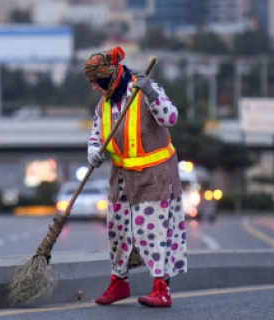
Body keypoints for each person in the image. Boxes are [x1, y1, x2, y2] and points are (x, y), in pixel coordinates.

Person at [84, 46, 187, 308]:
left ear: (109, 77)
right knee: (118, 231)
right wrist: (94, 151)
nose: (94, 87)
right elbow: (97, 134)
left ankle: (161, 288)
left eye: (97, 82)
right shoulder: (104, 103)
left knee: (151, 231)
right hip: (121, 176)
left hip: (154, 174)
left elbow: (170, 117)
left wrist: (152, 92)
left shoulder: (143, 91)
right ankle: (119, 282)